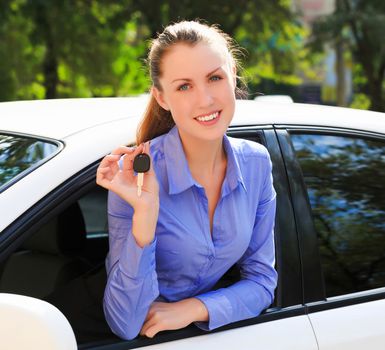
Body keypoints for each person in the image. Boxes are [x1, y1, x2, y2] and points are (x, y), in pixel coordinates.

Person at [96, 20, 277, 341]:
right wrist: (146, 214)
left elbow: (262, 281)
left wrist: (195, 308)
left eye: (215, 78)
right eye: (184, 86)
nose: (205, 99)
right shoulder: (135, 175)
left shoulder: (257, 163)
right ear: (161, 97)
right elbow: (125, 324)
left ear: (233, 74)